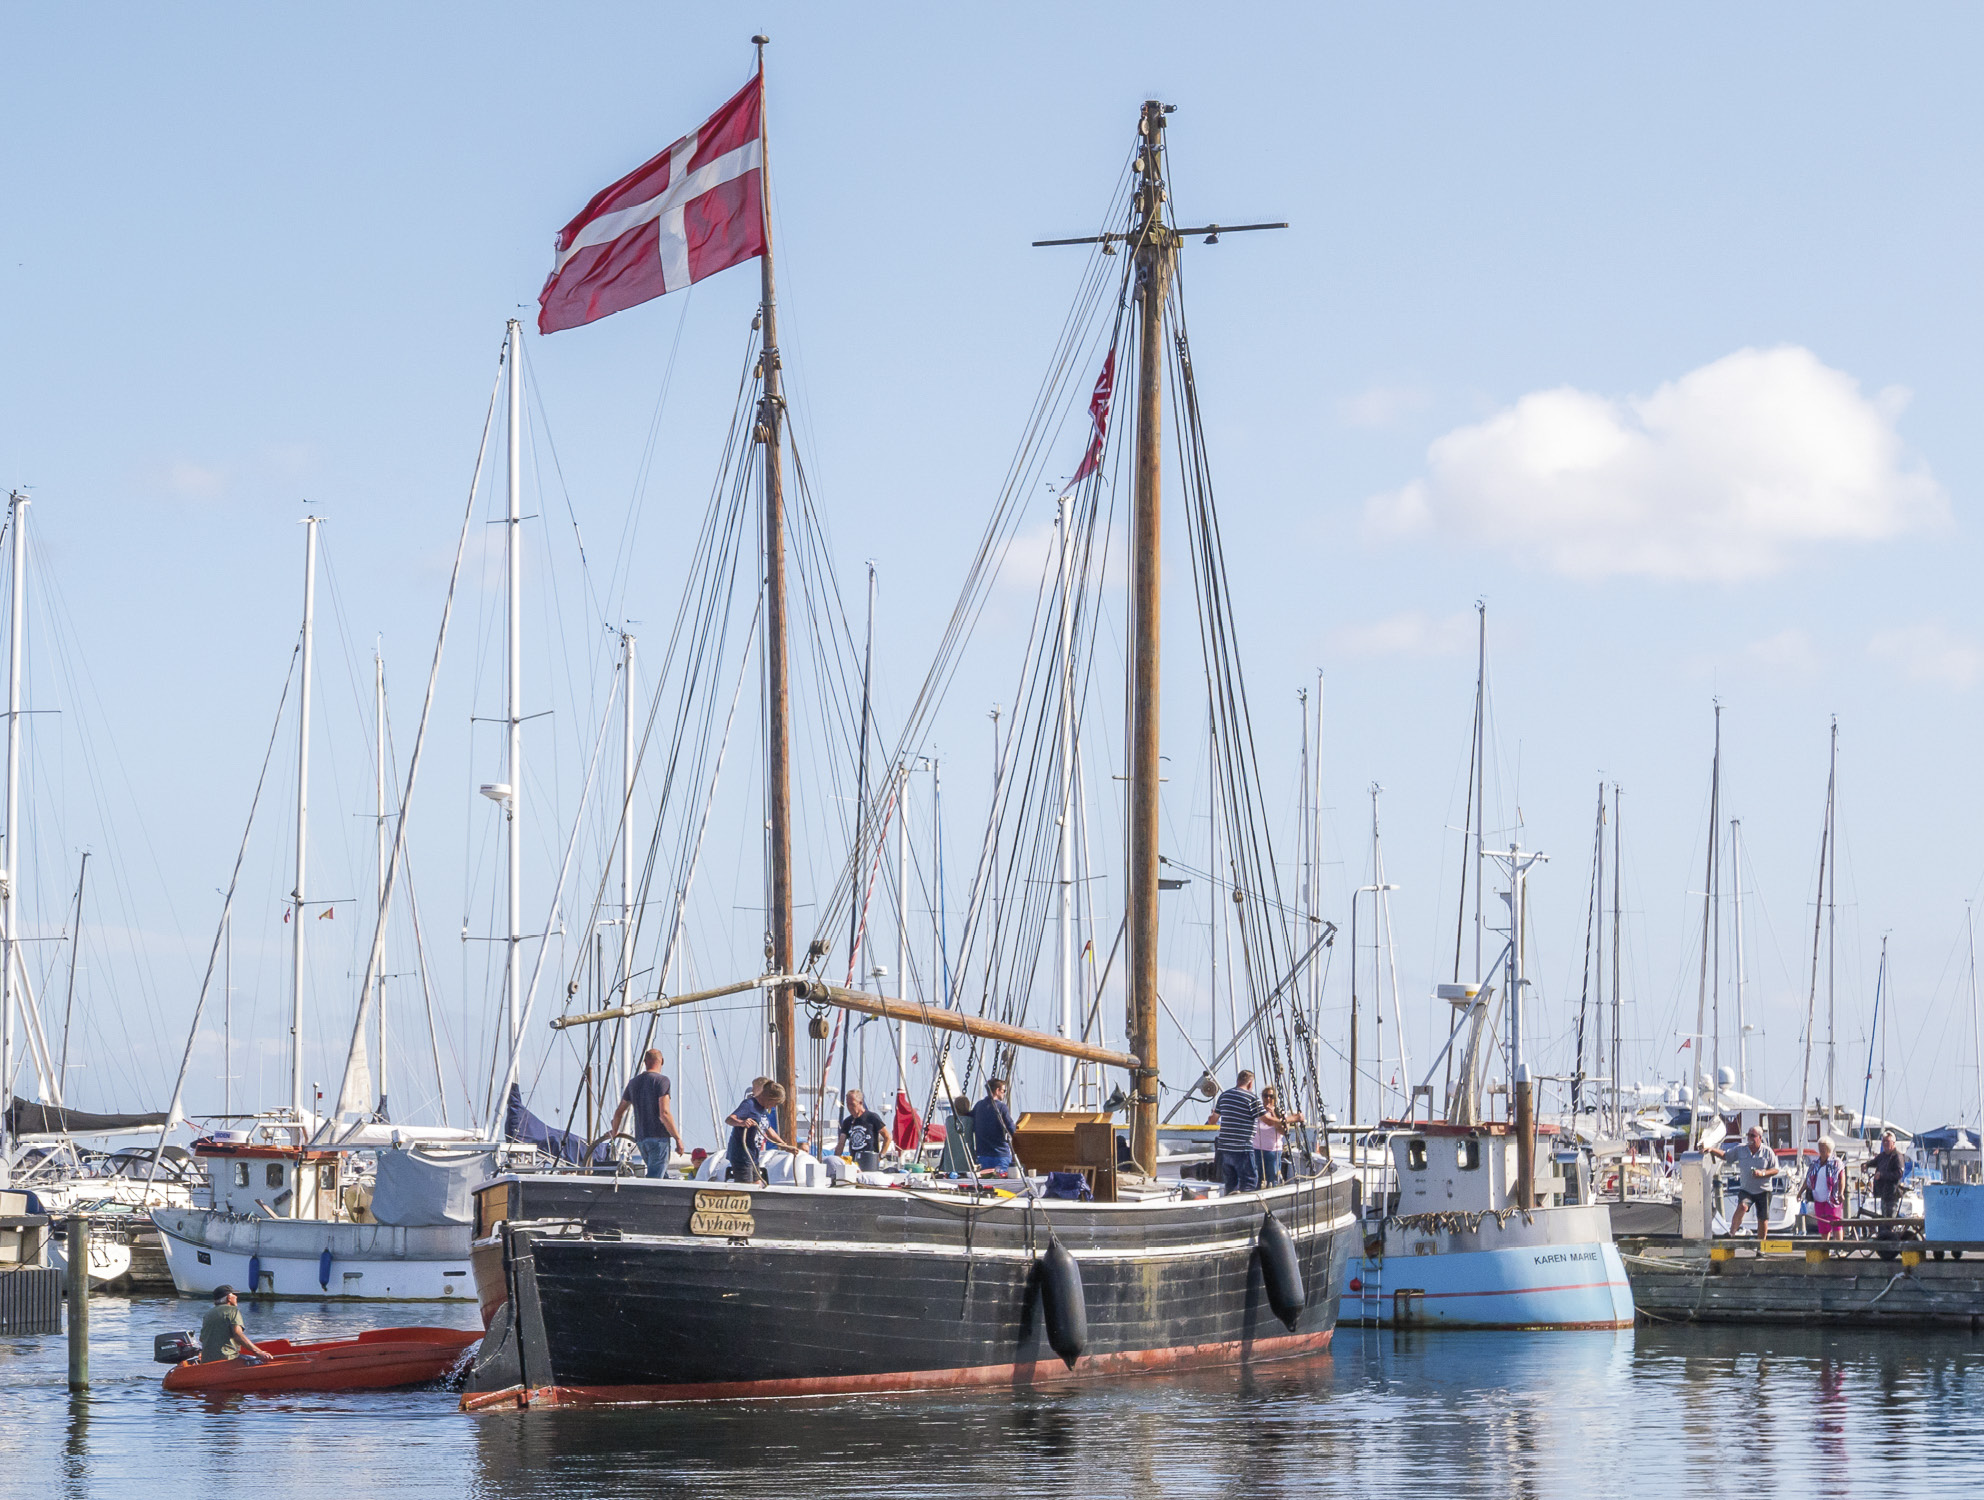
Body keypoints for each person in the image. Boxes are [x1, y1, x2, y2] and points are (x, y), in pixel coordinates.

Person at [609, 1048, 683, 1180]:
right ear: (662, 1061)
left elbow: (619, 1112)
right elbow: (664, 1113)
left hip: (642, 1139)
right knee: (655, 1178)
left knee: (661, 1175)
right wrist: (677, 1138)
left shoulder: (633, 1083)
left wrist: (615, 1132)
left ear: (645, 1062)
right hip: (658, 1137)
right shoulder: (662, 1081)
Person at [1209, 1070, 1266, 1195]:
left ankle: (1230, 1207)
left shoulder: (1224, 1096)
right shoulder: (1252, 1098)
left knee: (1230, 1183)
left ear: (1238, 1080)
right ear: (1250, 1084)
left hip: (1225, 1149)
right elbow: (1268, 1120)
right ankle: (1245, 1209)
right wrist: (1293, 1119)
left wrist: (1212, 1115)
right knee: (1250, 1182)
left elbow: (1212, 1121)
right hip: (1242, 1149)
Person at [1716, 1125, 1777, 1238]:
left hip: (1763, 1191)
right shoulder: (1740, 1149)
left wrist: (1762, 1173)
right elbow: (1726, 1156)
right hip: (1747, 1189)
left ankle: (1761, 1246)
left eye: (1752, 1136)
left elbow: (1775, 1169)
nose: (1749, 1138)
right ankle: (1731, 1233)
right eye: (1748, 1135)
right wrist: (1711, 1150)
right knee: (1742, 1206)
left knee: (1762, 1219)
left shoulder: (1767, 1152)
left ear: (1759, 1137)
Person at [724, 1079, 791, 1183]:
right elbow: (729, 1119)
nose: (774, 1106)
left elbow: (768, 1129)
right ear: (769, 1098)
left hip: (753, 1155)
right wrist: (742, 1122)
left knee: (758, 1184)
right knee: (747, 1186)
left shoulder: (762, 1109)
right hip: (742, 1155)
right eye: (775, 1103)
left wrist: (783, 1144)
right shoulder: (749, 1104)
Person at [199, 1285, 271, 1364]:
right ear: (229, 1297)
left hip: (206, 1361)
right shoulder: (232, 1310)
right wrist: (259, 1352)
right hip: (227, 1359)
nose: (236, 1297)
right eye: (234, 1295)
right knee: (259, 1363)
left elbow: (202, 1339)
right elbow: (238, 1335)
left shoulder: (208, 1314)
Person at [1253, 1085, 1303, 1186]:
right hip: (1257, 1150)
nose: (1268, 1099)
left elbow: (1284, 1131)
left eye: (1271, 1096)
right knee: (1258, 1179)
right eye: (1265, 1096)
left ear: (1274, 1098)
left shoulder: (1280, 1112)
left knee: (1273, 1178)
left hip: (1273, 1151)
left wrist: (1274, 1115)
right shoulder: (1258, 1112)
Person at [972, 1078, 1018, 1174]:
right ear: (997, 1091)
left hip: (982, 1156)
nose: (1004, 1094)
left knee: (986, 1185)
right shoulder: (1002, 1107)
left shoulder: (978, 1106)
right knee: (1002, 1183)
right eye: (1003, 1091)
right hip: (1000, 1156)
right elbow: (1011, 1129)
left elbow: (970, 1121)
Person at [837, 1089, 888, 1171]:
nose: (849, 1107)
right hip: (854, 1162)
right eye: (847, 1104)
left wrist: (880, 1156)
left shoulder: (872, 1117)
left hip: (869, 1161)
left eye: (852, 1104)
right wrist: (836, 1159)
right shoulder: (847, 1122)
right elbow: (841, 1143)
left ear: (860, 1103)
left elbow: (887, 1137)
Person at [1806, 1138, 1847, 1238]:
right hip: (1818, 1199)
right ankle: (1825, 1248)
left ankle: (1839, 1248)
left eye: (1823, 1147)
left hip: (1832, 1199)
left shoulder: (1836, 1162)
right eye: (1820, 1147)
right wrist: (1800, 1192)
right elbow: (1807, 1179)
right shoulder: (1815, 1163)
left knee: (1835, 1223)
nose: (1820, 1149)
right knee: (1823, 1225)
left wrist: (1841, 1193)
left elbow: (1842, 1177)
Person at [1871, 1130, 1905, 1233]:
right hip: (1883, 1193)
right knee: (1884, 1219)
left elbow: (1899, 1174)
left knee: (1889, 1221)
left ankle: (1891, 1242)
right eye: (1884, 1141)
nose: (1885, 1143)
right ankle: (1884, 1241)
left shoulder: (1897, 1156)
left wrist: (1882, 1175)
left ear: (1893, 1143)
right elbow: (1874, 1162)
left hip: (1892, 1193)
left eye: (1888, 1141)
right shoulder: (1883, 1156)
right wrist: (1866, 1165)